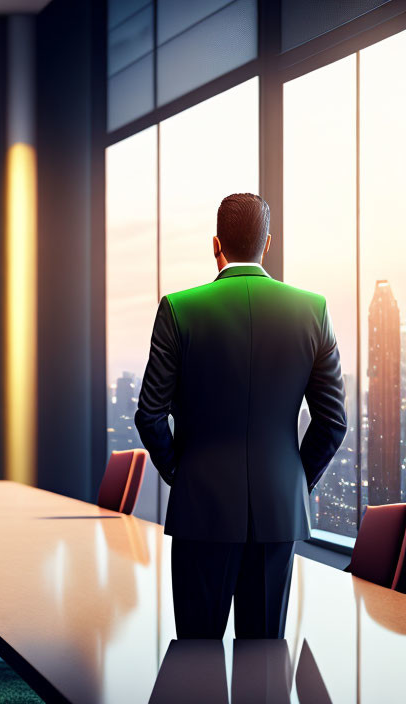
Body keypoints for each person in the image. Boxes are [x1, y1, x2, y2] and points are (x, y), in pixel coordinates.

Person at [134, 193, 346, 639]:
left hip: (201, 510)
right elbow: (333, 422)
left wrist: (183, 472)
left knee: (195, 659)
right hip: (278, 514)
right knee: (265, 662)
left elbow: (150, 415)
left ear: (216, 245)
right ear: (267, 244)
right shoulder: (314, 310)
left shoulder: (178, 308)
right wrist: (290, 481)